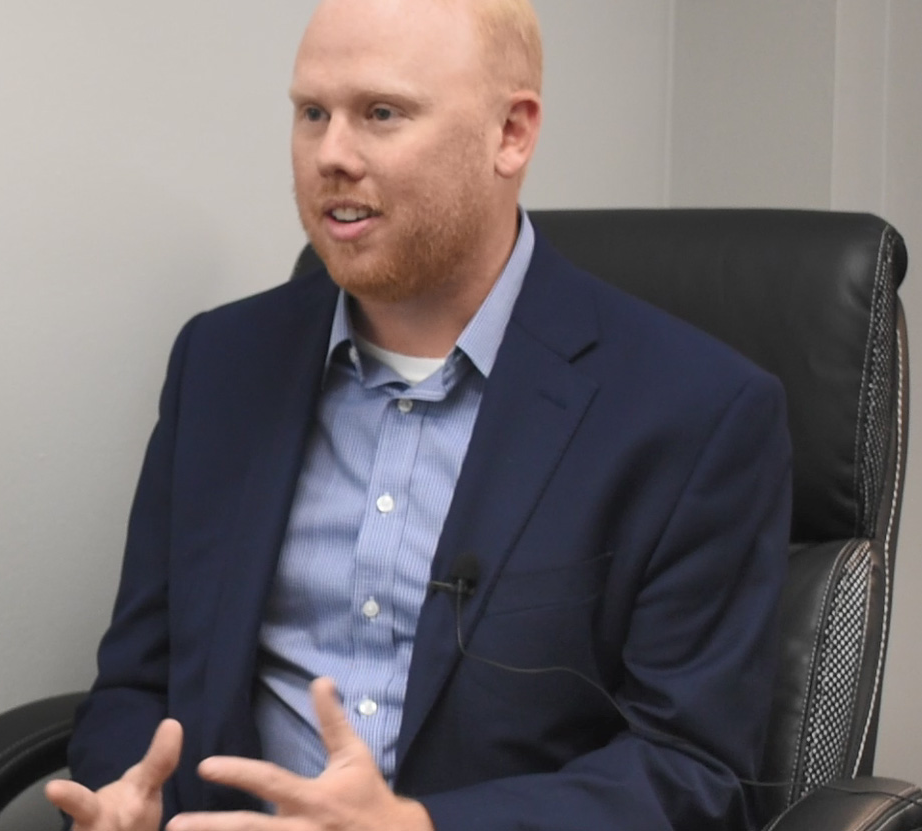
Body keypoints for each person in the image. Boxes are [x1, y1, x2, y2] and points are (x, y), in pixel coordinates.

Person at [47, 0, 792, 829]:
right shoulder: (221, 363)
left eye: (381, 114)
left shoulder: (695, 410)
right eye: (311, 113)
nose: (331, 154)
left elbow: (690, 773)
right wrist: (127, 790)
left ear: (510, 133)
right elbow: (138, 682)